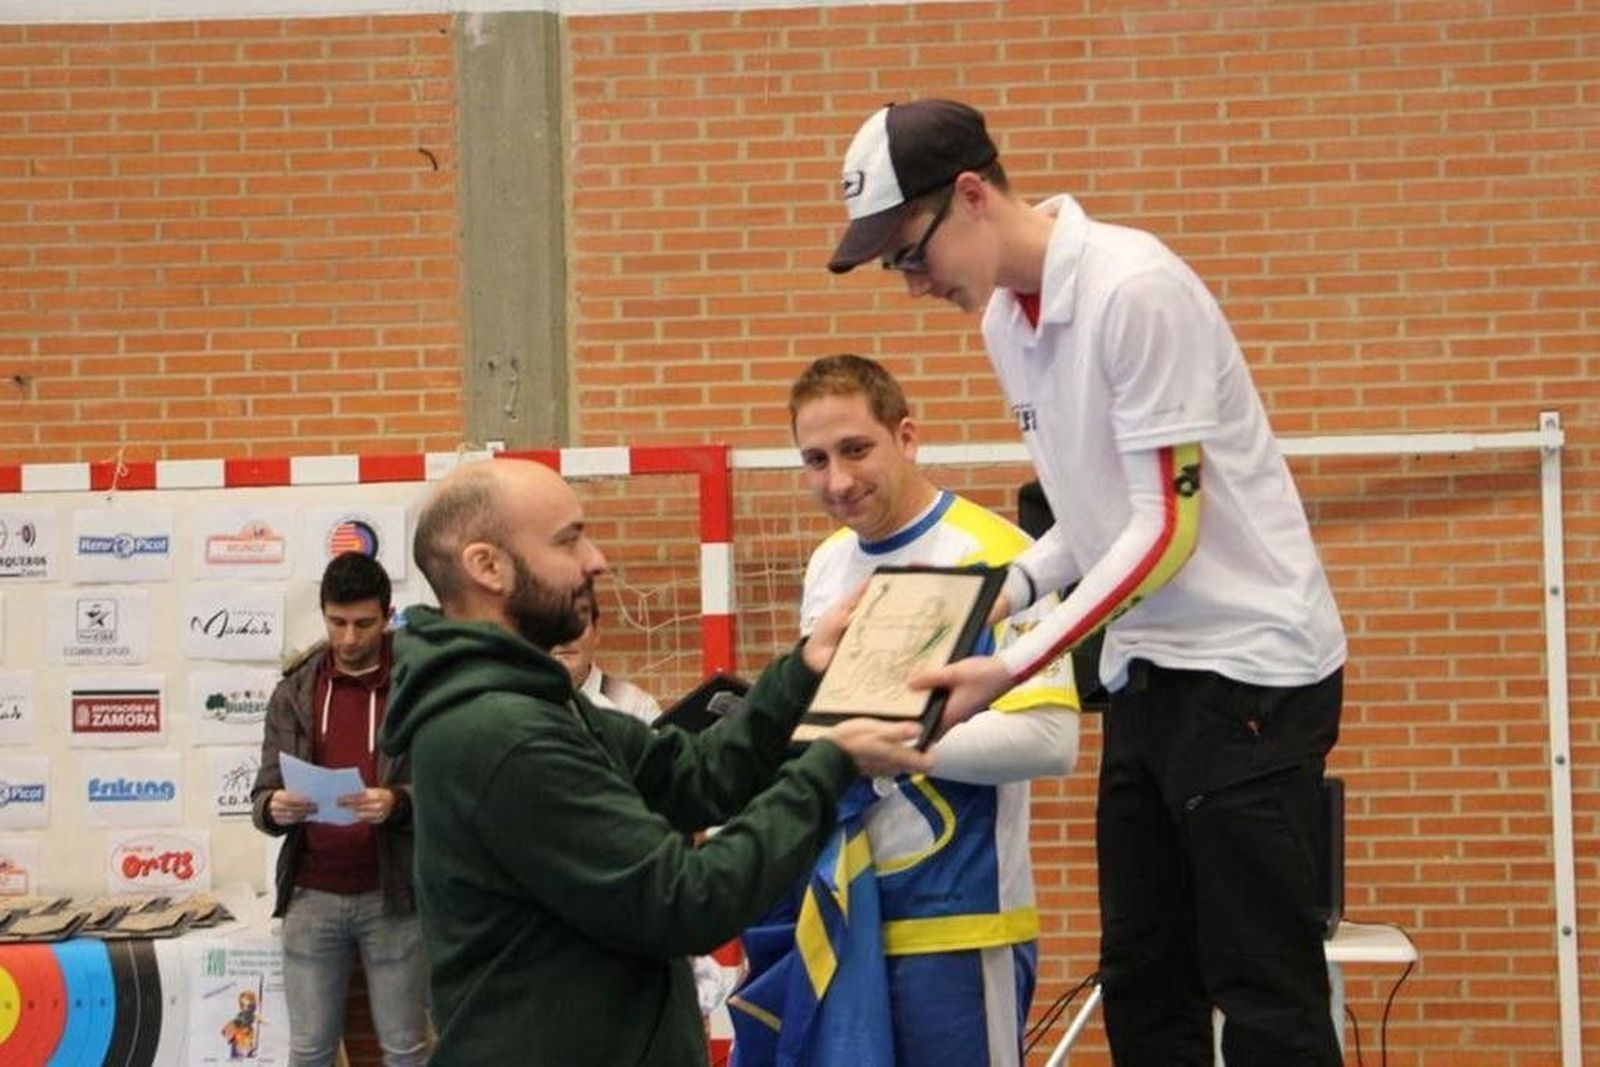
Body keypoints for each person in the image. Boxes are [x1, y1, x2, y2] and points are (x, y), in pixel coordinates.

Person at [828, 99, 1348, 1065]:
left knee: (1260, 981)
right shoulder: (1007, 325)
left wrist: (1006, 662)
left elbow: (1167, 528)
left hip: (1251, 672)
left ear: (972, 196)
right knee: (1143, 975)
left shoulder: (1132, 290)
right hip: (1154, 667)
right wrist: (971, 602)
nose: (910, 286)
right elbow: (1095, 509)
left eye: (908, 253)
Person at [378, 457, 936, 1066]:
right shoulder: (503, 736)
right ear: (487, 566)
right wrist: (830, 764)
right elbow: (684, 901)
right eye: (569, 540)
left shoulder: (539, 703)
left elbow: (696, 777)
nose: (597, 559)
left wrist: (803, 670)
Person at [729, 354, 1079, 1067]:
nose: (838, 480)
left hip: (960, 917)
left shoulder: (998, 553)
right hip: (836, 908)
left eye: (856, 450)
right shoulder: (829, 563)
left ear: (908, 437)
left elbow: (1053, 736)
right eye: (816, 459)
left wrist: (886, 742)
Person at [250, 551, 431, 1067]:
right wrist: (274, 808)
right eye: (337, 622)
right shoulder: (293, 691)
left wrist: (398, 802)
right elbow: (262, 795)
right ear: (323, 613)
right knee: (309, 1052)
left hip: (395, 896)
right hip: (311, 895)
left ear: (388, 614)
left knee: (406, 1049)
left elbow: (448, 791)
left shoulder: (416, 687)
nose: (349, 638)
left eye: (364, 624)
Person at [549, 587, 662, 724]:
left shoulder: (637, 707)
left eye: (576, 624)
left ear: (596, 632)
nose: (564, 637)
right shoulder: (521, 707)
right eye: (552, 626)